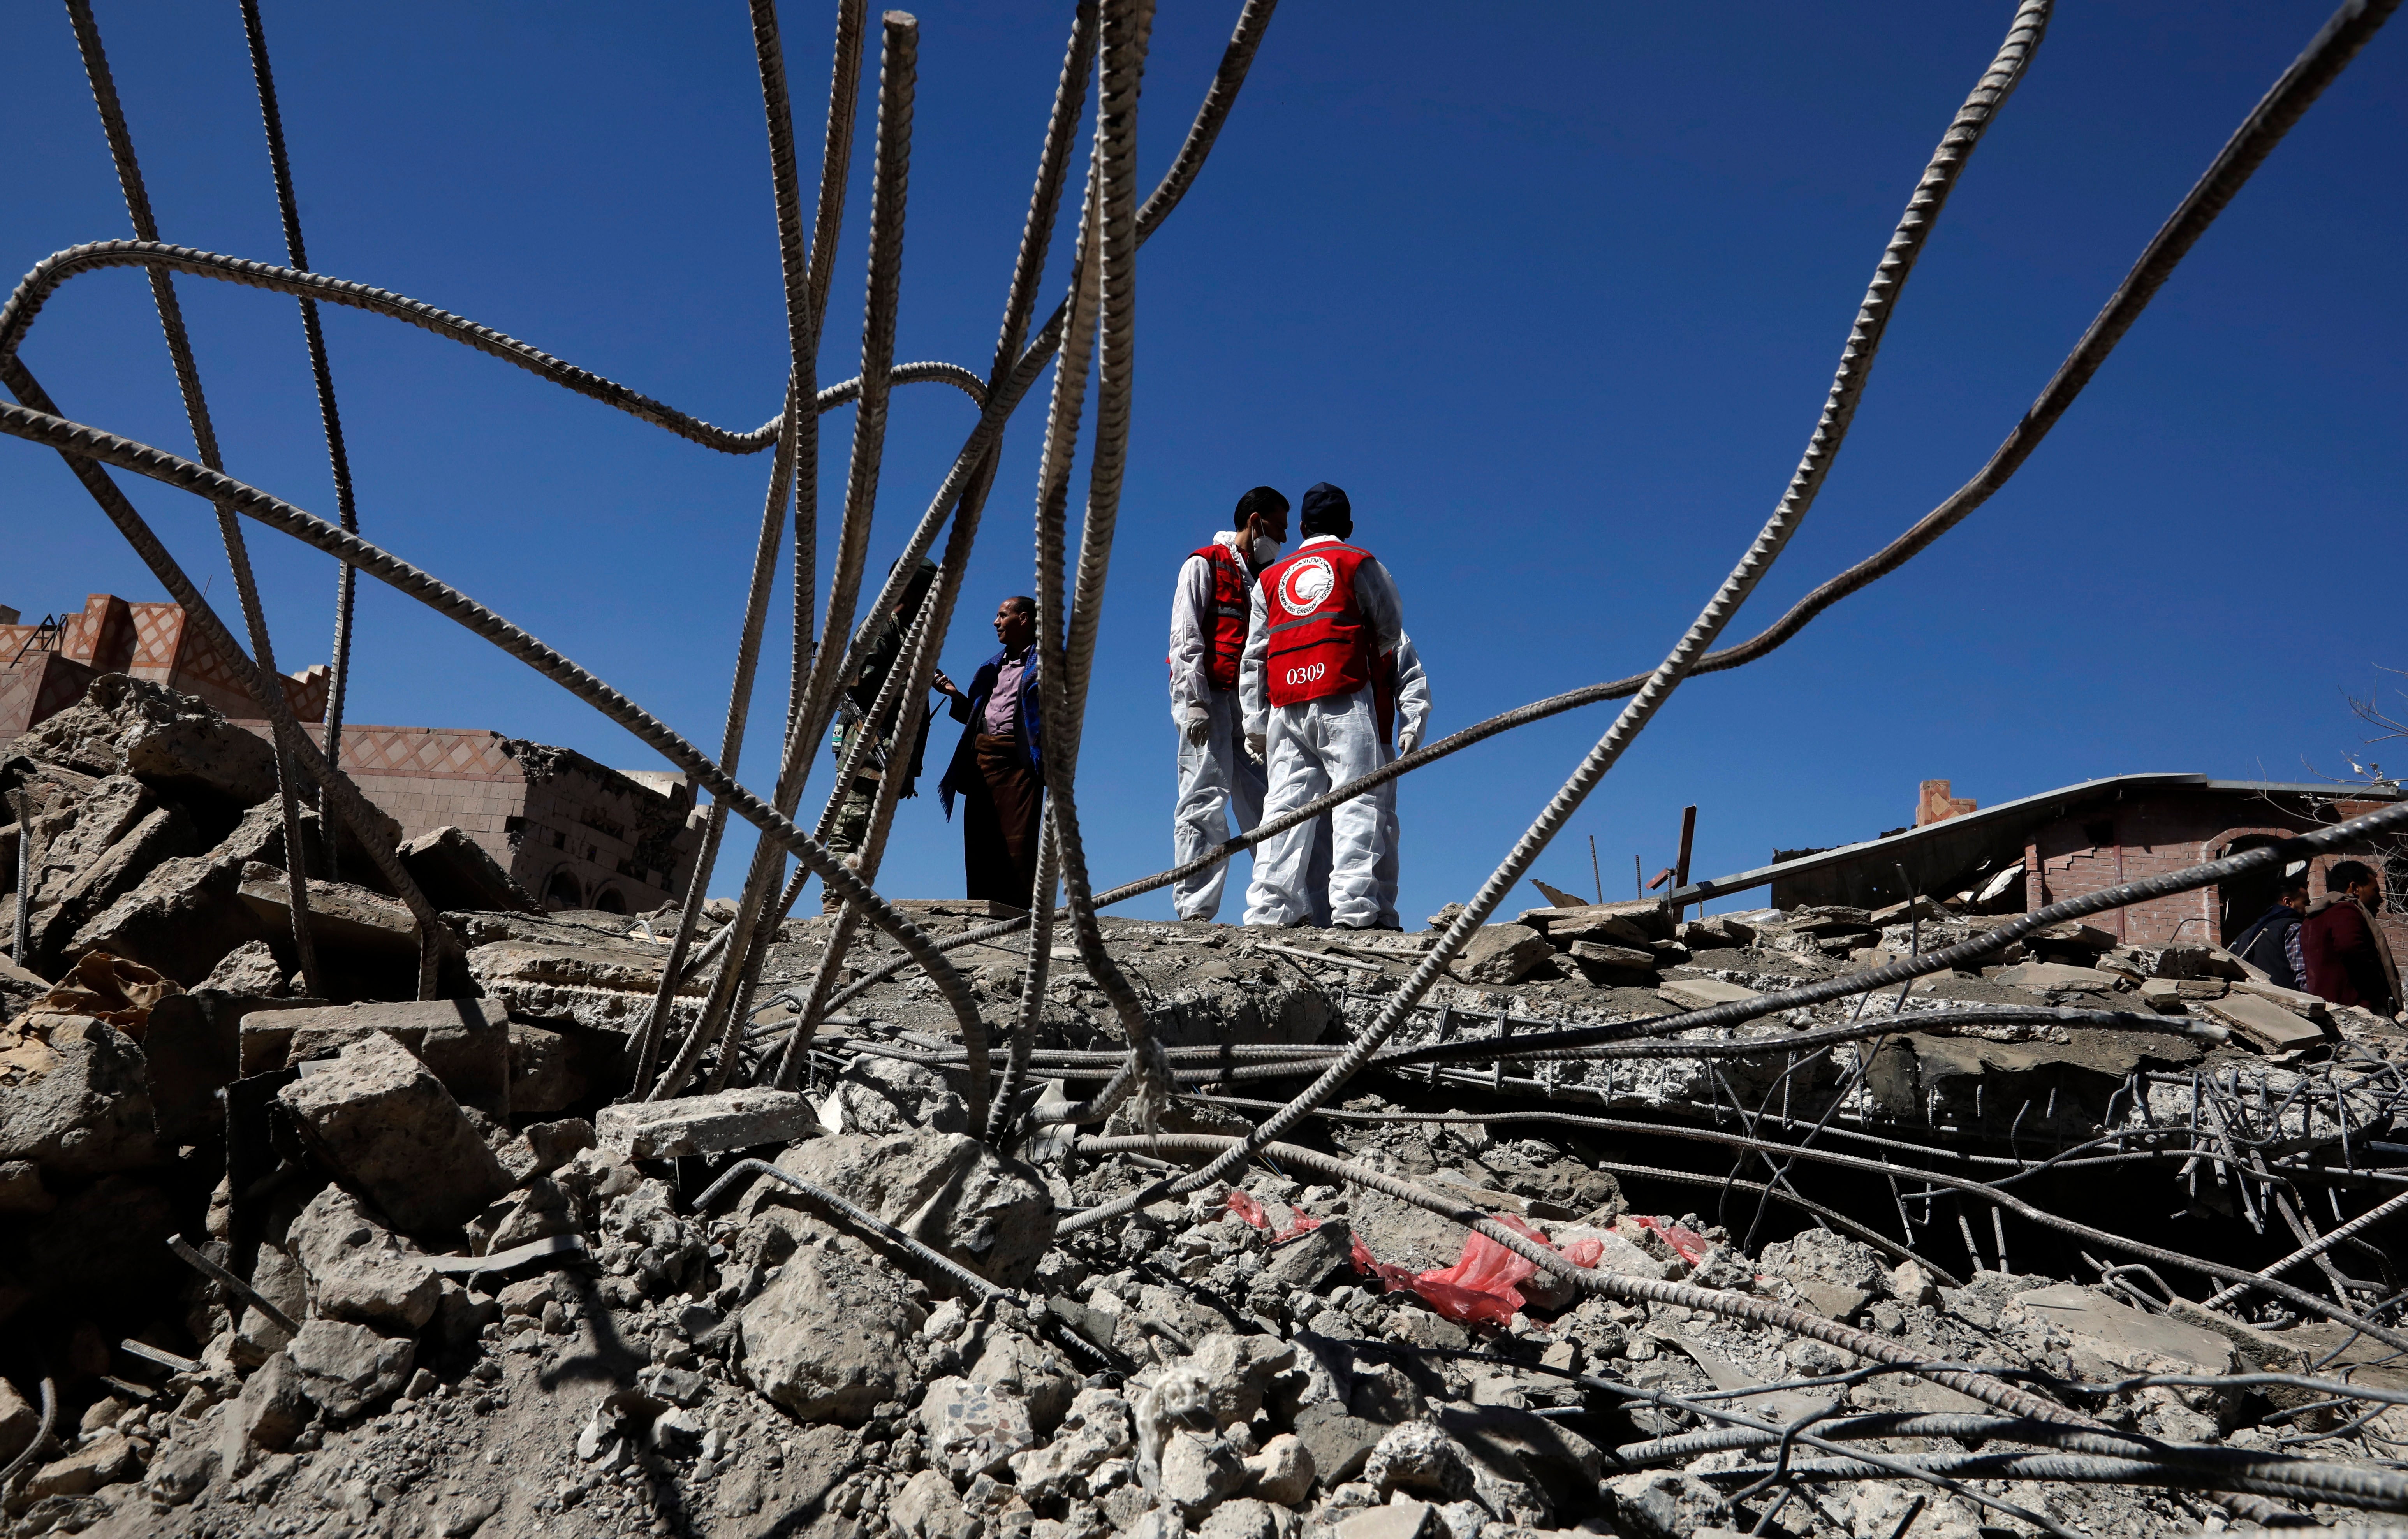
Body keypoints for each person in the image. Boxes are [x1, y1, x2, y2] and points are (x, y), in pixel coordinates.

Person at [1239, 482, 1403, 929]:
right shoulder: (1357, 561)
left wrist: (1255, 722)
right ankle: (1354, 911)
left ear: (1303, 526)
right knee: (1358, 798)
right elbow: (1390, 627)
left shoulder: (1270, 577)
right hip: (1342, 695)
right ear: (1348, 526)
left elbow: (1254, 654)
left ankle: (1268, 911)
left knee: (1282, 810)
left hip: (1285, 703)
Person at [1167, 486, 1288, 920]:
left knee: (1266, 799)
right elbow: (1186, 638)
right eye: (1279, 528)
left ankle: (1278, 903)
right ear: (1255, 523)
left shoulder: (1261, 580)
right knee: (1203, 796)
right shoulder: (1203, 564)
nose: (1285, 539)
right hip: (1211, 699)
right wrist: (1194, 702)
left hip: (1250, 705)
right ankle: (1196, 908)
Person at [822, 558, 938, 909]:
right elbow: (857, 688)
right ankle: (834, 900)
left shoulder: (910, 633)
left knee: (872, 827)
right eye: (928, 591)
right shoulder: (881, 629)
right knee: (852, 820)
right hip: (868, 744)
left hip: (890, 748)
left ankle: (852, 898)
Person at [933, 598, 1044, 906]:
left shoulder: (1046, 665)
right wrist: (954, 695)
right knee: (981, 840)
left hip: (1020, 764)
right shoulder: (989, 669)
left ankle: (1018, 914)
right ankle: (981, 910)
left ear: (1023, 619)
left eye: (1002, 615)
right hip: (983, 761)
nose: (996, 622)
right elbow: (976, 718)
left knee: (1018, 844)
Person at [2299, 860, 2401, 1014]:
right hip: (2355, 1010)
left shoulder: (2312, 920)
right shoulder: (2345, 911)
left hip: (2327, 1009)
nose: (2381, 900)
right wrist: (2379, 987)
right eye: (2375, 891)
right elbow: (2351, 947)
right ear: (2355, 889)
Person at [2228, 869, 2311, 990]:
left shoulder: (2246, 934)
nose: (2308, 909)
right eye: (2305, 903)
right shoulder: (2293, 928)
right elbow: (2303, 977)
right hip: (2287, 1004)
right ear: (2288, 902)